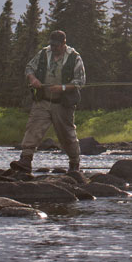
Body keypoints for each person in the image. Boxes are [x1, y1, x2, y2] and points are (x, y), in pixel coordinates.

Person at [12, 29, 86, 178]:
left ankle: (74, 164)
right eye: (52, 45)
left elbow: (80, 81)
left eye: (57, 45)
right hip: (42, 101)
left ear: (64, 43)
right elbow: (29, 68)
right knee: (33, 129)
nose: (54, 48)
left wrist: (62, 87)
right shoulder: (43, 54)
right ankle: (25, 160)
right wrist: (33, 80)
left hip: (63, 104)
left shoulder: (74, 57)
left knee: (67, 135)